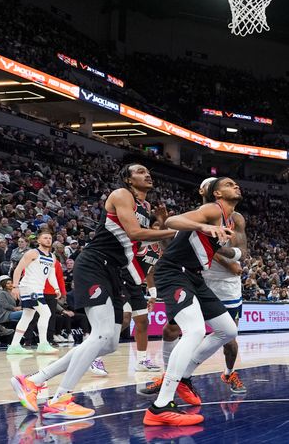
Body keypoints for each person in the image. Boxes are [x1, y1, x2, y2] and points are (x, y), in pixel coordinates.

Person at [10, 164, 176, 419]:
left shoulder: (145, 208)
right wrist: (175, 229)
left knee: (108, 342)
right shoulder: (122, 195)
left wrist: (162, 224)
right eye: (141, 171)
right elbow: (134, 232)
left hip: (114, 272)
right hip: (95, 263)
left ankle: (34, 380)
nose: (148, 174)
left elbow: (141, 243)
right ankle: (60, 398)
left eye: (148, 171)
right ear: (128, 179)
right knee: (100, 336)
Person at [144, 177, 240, 426]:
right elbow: (171, 221)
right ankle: (160, 406)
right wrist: (204, 227)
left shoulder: (230, 218)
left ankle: (184, 376)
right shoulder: (212, 210)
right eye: (229, 184)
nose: (236, 185)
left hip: (194, 276)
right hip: (174, 271)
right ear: (217, 193)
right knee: (195, 330)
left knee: (228, 330)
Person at [199, 177, 248, 395]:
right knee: (179, 330)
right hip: (202, 278)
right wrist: (228, 264)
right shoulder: (200, 215)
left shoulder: (236, 218)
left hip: (228, 286)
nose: (235, 186)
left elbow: (240, 250)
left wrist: (231, 263)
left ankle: (229, 373)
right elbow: (202, 246)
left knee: (230, 338)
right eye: (227, 185)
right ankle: (171, 375)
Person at [121, 212, 167, 373]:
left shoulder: (158, 249)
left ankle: (141, 361)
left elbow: (150, 272)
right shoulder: (141, 241)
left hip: (136, 285)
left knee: (142, 322)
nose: (159, 230)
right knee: (125, 319)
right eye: (156, 226)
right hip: (122, 281)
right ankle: (96, 352)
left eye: (161, 228)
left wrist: (153, 294)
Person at [7, 229, 60, 354]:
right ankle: (43, 344)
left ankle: (14, 346)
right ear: (38, 240)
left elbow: (51, 276)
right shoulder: (33, 253)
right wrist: (15, 286)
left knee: (27, 316)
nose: (48, 240)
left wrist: (56, 288)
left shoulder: (52, 257)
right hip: (29, 287)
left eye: (50, 238)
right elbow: (18, 269)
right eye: (45, 238)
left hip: (38, 288)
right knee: (46, 313)